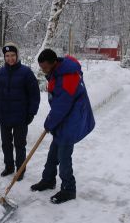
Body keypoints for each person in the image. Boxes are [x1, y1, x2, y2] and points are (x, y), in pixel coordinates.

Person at [31, 49, 95, 204]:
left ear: (54, 63)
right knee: (53, 153)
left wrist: (49, 123)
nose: (43, 70)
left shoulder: (68, 77)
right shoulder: (58, 71)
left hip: (71, 120)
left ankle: (69, 189)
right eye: (41, 67)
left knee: (64, 157)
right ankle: (48, 180)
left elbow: (62, 105)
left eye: (45, 67)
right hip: (63, 119)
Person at [0, 42, 40, 181]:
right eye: (7, 56)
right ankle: (9, 166)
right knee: (6, 143)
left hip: (20, 116)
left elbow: (34, 95)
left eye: (12, 55)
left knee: (20, 144)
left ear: (17, 55)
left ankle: (20, 169)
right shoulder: (0, 73)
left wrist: (31, 112)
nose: (10, 58)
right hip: (4, 115)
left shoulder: (26, 72)